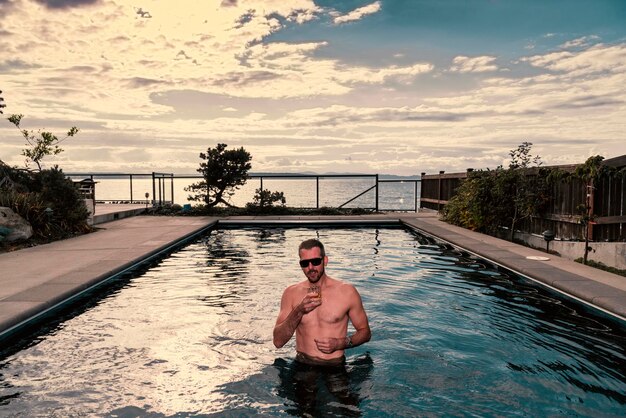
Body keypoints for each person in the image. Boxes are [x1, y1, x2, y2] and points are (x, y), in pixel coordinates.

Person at [273, 238, 371, 365]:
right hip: (303, 365)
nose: (310, 267)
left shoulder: (347, 292)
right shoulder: (291, 293)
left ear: (325, 261)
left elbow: (365, 332)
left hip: (334, 365)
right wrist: (299, 311)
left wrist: (340, 343)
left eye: (315, 261)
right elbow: (278, 341)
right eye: (305, 263)